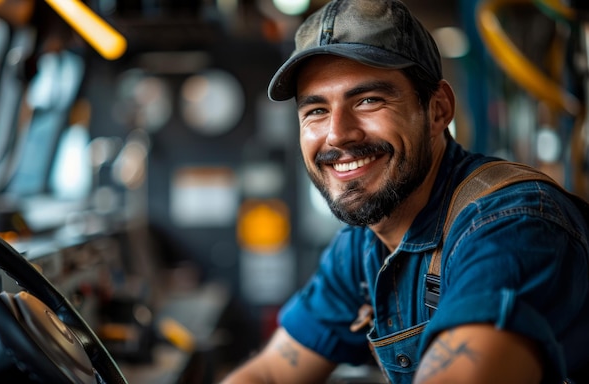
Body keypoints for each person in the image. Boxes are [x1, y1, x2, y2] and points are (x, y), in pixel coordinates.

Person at [222, 0, 589, 383]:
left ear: (437, 110)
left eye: (368, 100)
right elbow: (269, 374)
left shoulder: (510, 227)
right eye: (316, 110)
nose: (337, 134)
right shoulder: (364, 247)